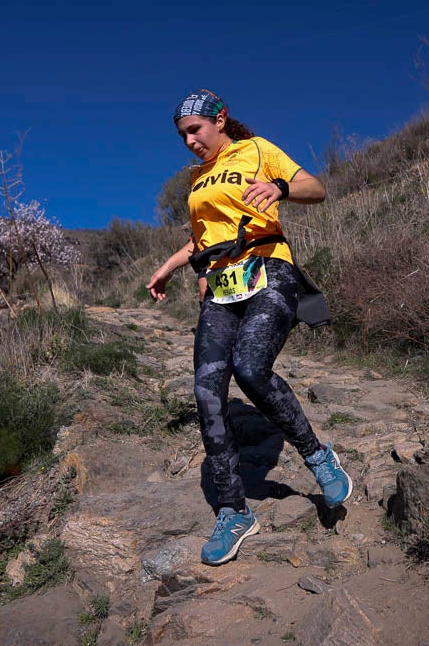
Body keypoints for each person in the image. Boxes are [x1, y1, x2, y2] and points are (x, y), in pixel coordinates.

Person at [146, 89, 353, 566]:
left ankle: (316, 454)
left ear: (220, 120)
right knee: (204, 392)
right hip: (220, 286)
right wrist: (170, 267)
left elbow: (315, 189)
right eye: (182, 136)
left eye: (195, 130)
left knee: (251, 369)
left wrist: (280, 189)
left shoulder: (258, 150)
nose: (189, 142)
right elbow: (201, 240)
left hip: (267, 270)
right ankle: (234, 511)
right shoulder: (197, 181)